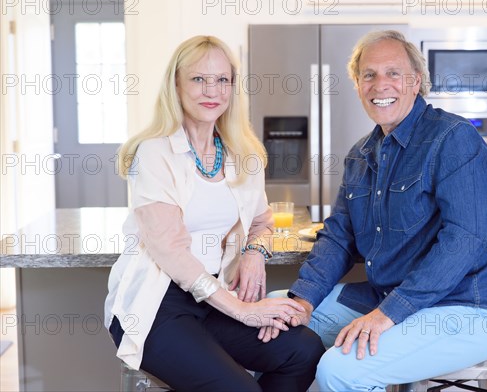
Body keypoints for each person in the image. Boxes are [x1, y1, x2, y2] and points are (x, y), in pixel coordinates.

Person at [284, 30, 487, 391]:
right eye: (369, 74)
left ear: (416, 82)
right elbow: (339, 237)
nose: (381, 84)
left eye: (394, 73)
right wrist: (302, 301)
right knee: (270, 319)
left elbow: (463, 242)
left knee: (339, 370)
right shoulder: (361, 155)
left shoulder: (453, 138)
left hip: (466, 306)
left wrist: (389, 313)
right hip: (386, 299)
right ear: (358, 85)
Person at [103, 35, 324, 392]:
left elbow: (262, 223)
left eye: (222, 79)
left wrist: (254, 253)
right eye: (198, 78)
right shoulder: (154, 154)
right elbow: (170, 250)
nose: (212, 90)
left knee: (304, 350)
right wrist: (245, 311)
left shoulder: (244, 154)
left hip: (215, 301)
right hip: (158, 306)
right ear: (176, 83)